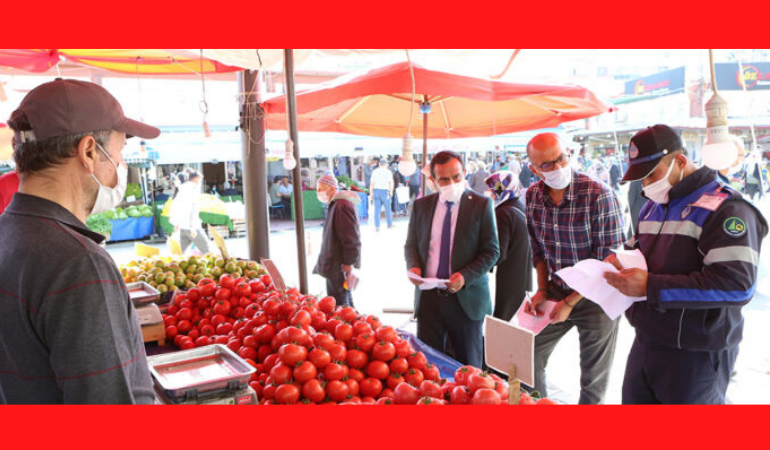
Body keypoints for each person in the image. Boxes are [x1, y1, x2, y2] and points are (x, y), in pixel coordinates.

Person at [0, 78, 158, 404]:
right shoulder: (77, 263)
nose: (120, 166)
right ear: (89, 151)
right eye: (119, 152)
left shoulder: (8, 232)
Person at [605, 125, 767, 404]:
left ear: (679, 161)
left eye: (652, 175)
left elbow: (736, 286)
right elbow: (642, 248)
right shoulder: (653, 205)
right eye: (640, 179)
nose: (645, 186)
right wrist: (622, 258)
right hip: (648, 339)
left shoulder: (727, 209)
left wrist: (650, 285)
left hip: (696, 351)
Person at [524, 133, 625, 404]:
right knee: (528, 356)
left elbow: (610, 260)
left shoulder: (598, 194)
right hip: (557, 288)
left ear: (569, 153)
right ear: (533, 169)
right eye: (547, 165)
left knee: (593, 378)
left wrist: (570, 302)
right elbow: (538, 250)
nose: (557, 167)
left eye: (561, 158)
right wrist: (542, 290)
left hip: (598, 297)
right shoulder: (533, 196)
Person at [404, 151, 500, 367]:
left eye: (456, 177)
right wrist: (414, 267)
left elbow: (491, 251)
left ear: (465, 173)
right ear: (433, 181)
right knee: (430, 366)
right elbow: (411, 245)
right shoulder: (422, 206)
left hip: (467, 299)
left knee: (469, 367)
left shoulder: (481, 205)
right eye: (444, 180)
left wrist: (465, 276)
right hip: (429, 299)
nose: (451, 183)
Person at [485, 171, 532, 321]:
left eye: (496, 188)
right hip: (523, 272)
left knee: (503, 320)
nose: (492, 193)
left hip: (510, 276)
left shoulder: (503, 213)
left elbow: (499, 252)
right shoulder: (519, 206)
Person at [313, 174, 362, 308]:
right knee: (342, 303)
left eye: (320, 189)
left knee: (341, 304)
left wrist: (348, 262)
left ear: (331, 188)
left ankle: (351, 325)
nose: (318, 193)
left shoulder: (341, 205)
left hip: (338, 265)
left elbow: (351, 239)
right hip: (334, 264)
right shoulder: (336, 204)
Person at [170, 170, 211, 255]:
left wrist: (176, 224)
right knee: (207, 252)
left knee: (180, 255)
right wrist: (193, 227)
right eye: (200, 180)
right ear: (196, 179)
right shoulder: (193, 190)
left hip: (182, 227)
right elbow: (193, 210)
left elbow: (175, 208)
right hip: (192, 227)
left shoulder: (182, 189)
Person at [369, 158, 394, 231]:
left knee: (377, 210)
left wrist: (371, 193)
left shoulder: (374, 172)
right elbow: (391, 183)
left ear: (379, 164)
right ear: (386, 164)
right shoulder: (388, 172)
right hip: (385, 192)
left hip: (376, 191)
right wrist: (391, 192)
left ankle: (377, 226)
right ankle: (389, 224)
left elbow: (372, 184)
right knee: (388, 209)